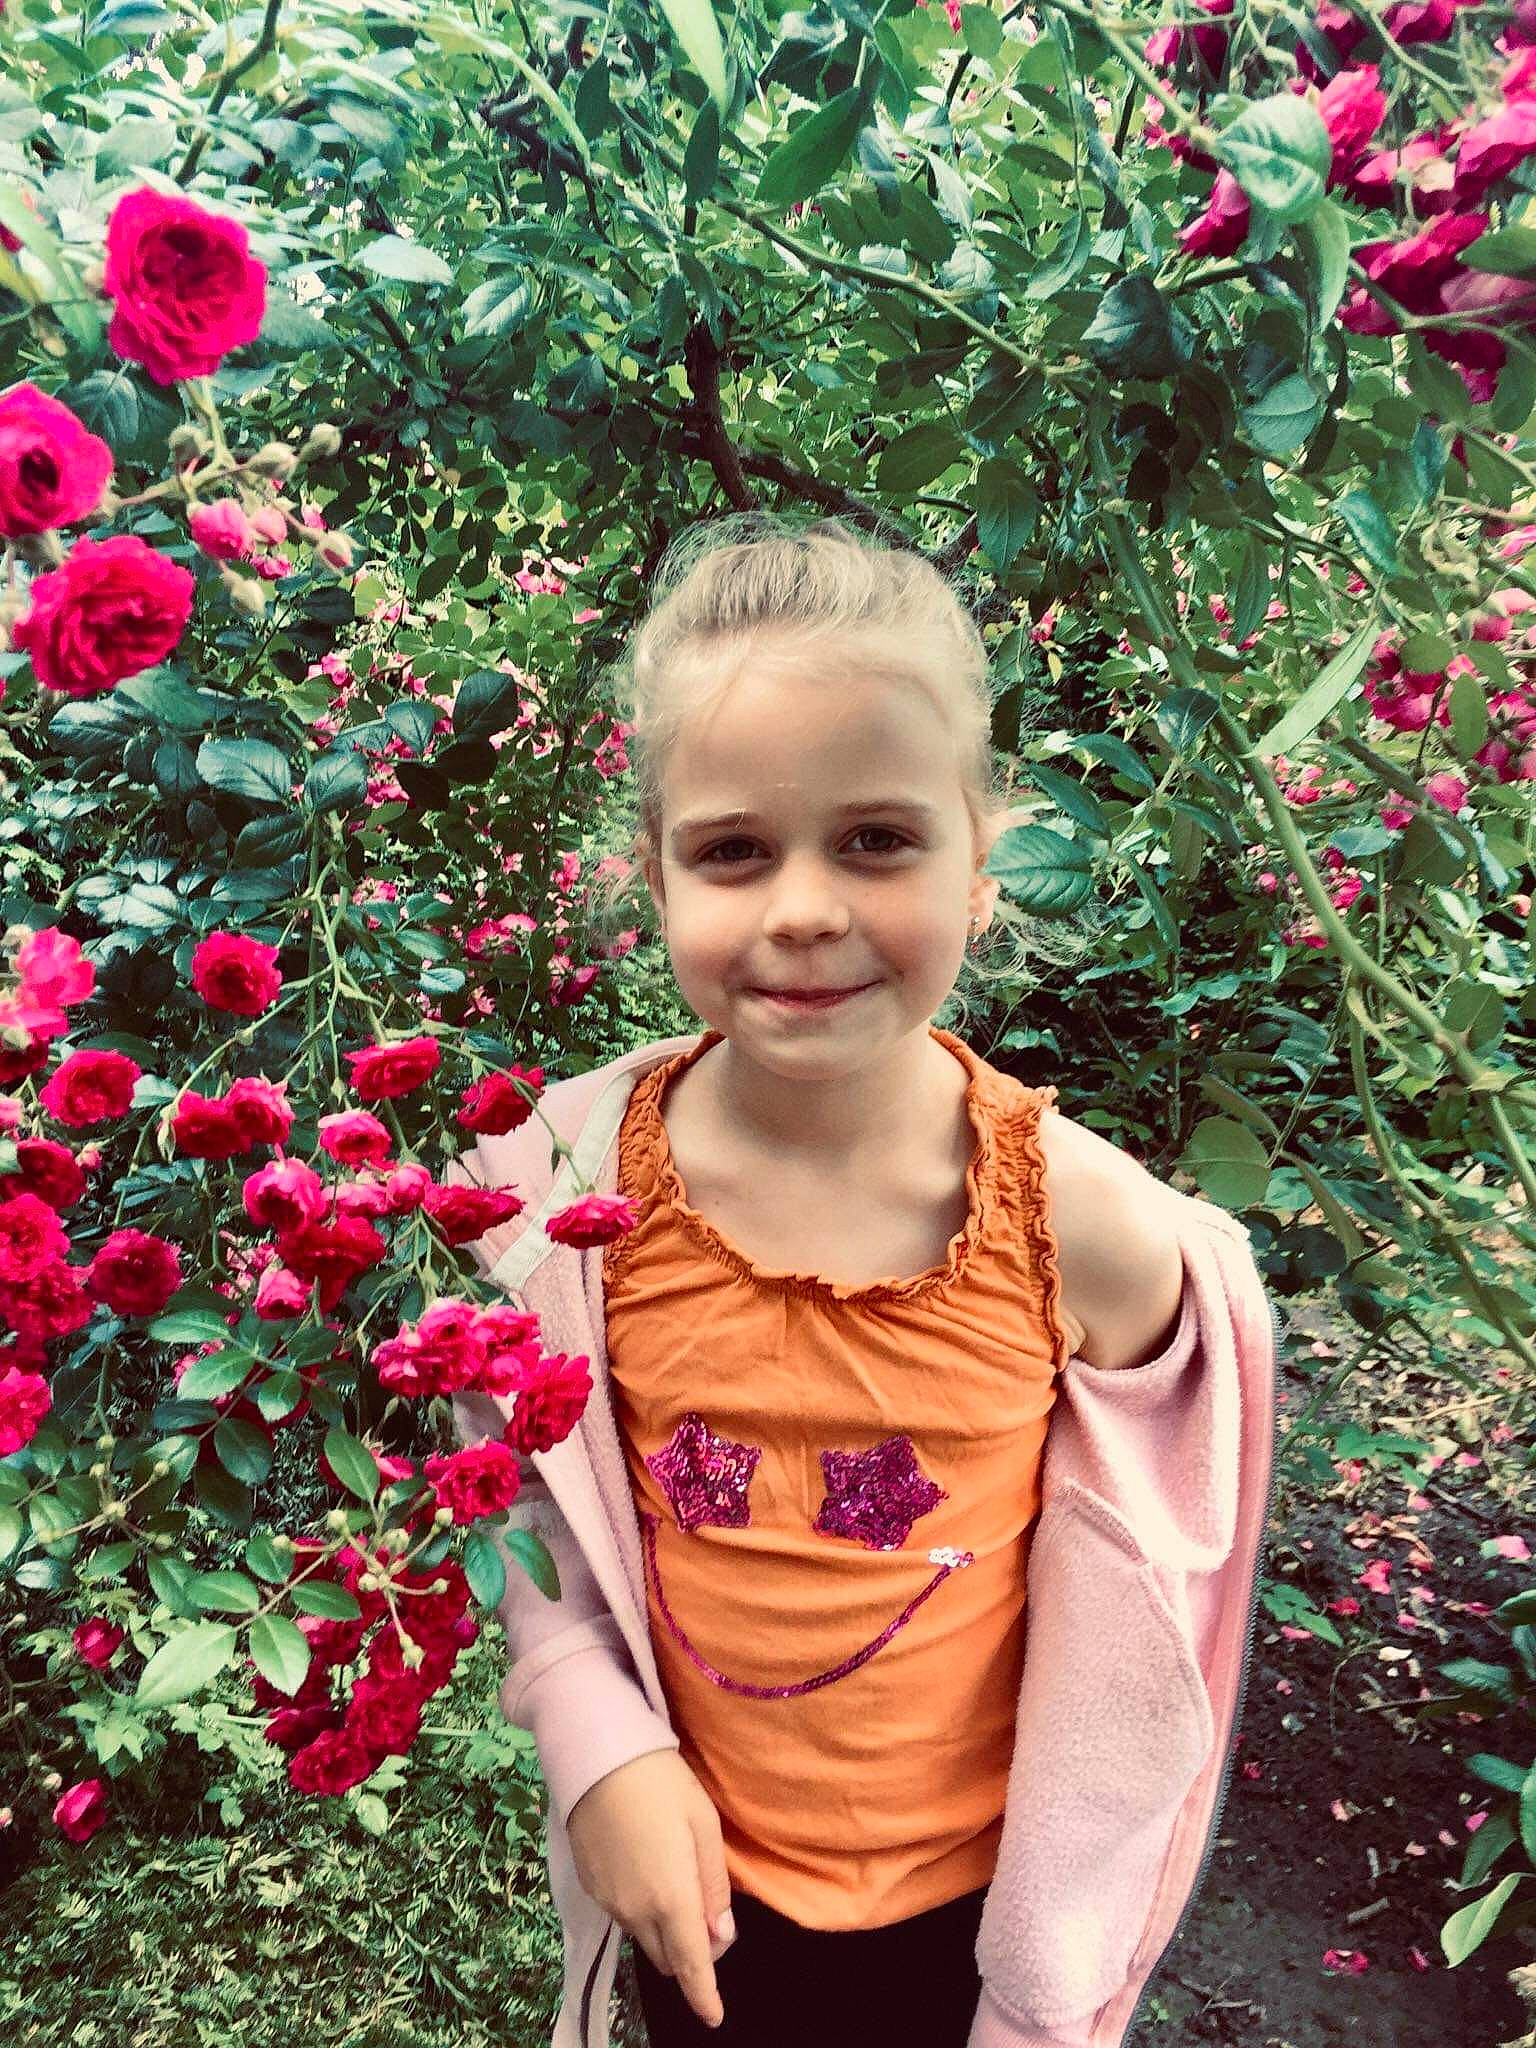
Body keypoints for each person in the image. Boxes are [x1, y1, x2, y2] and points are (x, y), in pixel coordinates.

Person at [446, 514, 1281, 2048]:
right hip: (694, 1899)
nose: (806, 907)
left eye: (878, 838)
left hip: (969, 1945)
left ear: (982, 854)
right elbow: (525, 1498)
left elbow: (1164, 1594)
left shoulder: (1089, 1232)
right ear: (657, 873)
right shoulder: (565, 1192)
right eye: (734, 850)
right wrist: (593, 1736)